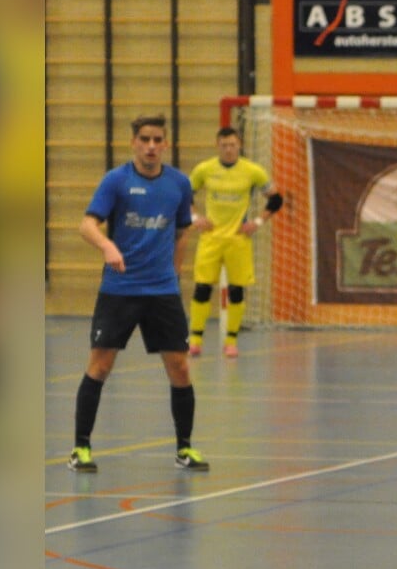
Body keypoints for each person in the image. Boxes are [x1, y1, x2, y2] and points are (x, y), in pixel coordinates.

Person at [69, 116, 205, 473]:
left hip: (162, 292)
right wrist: (107, 246)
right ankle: (80, 448)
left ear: (165, 144)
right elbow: (86, 225)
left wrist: (175, 274)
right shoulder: (116, 181)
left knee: (180, 368)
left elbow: (181, 232)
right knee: (100, 365)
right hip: (120, 290)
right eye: (144, 138)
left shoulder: (179, 184)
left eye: (157, 139)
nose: (150, 145)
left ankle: (184, 449)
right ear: (133, 142)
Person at [186, 126, 280, 358]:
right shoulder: (204, 170)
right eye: (224, 145)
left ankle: (231, 341)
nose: (229, 149)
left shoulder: (253, 171)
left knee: (237, 290)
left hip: (238, 240)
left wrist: (257, 222)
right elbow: (183, 196)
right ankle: (195, 339)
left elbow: (276, 199)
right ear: (217, 146)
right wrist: (195, 217)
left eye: (233, 145)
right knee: (202, 288)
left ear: (239, 145)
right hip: (211, 239)